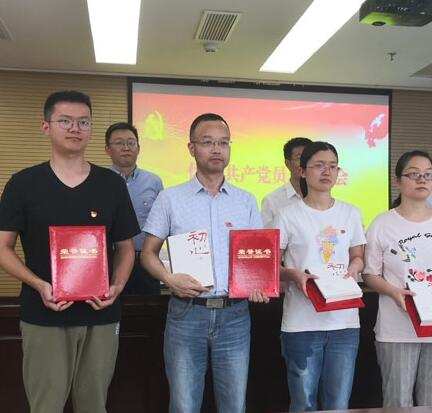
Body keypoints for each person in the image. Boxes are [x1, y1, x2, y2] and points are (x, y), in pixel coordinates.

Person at [0, 90, 139, 413]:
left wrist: (117, 286)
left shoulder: (111, 185)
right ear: (46, 127)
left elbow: (126, 248)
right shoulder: (23, 183)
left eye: (83, 122)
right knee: (46, 405)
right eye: (65, 121)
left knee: (94, 404)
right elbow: (3, 247)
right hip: (43, 313)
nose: (75, 128)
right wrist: (39, 285)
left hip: (101, 314)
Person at [140, 113, 270, 413]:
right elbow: (147, 254)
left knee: (234, 405)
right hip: (187, 313)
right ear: (191, 148)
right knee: (184, 405)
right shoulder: (170, 198)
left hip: (235, 315)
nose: (216, 149)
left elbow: (258, 257)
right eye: (208, 142)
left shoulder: (246, 200)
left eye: (223, 143)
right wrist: (169, 279)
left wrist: (259, 284)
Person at [363, 150, 432, 407]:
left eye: (428, 175)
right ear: (398, 181)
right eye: (414, 174)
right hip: (397, 327)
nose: (422, 180)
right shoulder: (383, 223)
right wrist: (393, 292)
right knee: (397, 402)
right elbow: (369, 274)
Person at [276, 141, 366, 411]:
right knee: (303, 402)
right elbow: (271, 266)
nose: (327, 172)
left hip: (344, 323)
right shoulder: (287, 215)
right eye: (319, 165)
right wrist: (293, 274)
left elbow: (358, 256)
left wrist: (355, 266)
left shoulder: (351, 213)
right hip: (301, 323)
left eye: (333, 166)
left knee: (338, 403)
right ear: (302, 171)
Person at [105, 122, 163, 294]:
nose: (126, 147)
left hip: (145, 262)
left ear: (138, 148)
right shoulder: (99, 181)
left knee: (149, 308)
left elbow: (163, 222)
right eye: (119, 143)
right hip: (110, 261)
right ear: (107, 149)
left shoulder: (154, 181)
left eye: (131, 142)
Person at [261, 137, 313, 228]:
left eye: (309, 158)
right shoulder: (272, 201)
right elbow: (266, 235)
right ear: (287, 163)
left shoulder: (323, 198)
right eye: (300, 158)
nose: (305, 163)